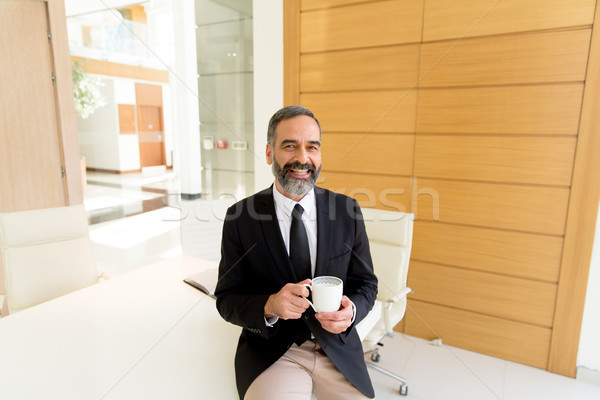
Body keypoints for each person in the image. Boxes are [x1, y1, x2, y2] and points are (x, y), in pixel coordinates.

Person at [214, 105, 378, 400]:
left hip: (337, 349)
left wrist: (351, 311)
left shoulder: (347, 211)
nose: (303, 159)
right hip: (273, 354)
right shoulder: (240, 218)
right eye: (290, 146)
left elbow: (366, 284)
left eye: (312, 147)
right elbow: (226, 299)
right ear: (269, 153)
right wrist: (269, 306)